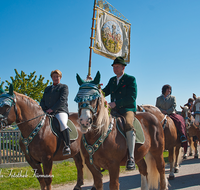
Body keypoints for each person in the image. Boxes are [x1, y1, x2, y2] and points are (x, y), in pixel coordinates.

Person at [102, 56, 137, 170]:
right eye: (114, 67)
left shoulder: (130, 79)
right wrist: (93, 85)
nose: (115, 69)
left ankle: (131, 157)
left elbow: (132, 97)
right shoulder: (112, 80)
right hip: (114, 110)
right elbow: (103, 92)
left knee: (128, 125)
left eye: (117, 67)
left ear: (123, 67)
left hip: (127, 109)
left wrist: (116, 104)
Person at [40, 70, 71, 156]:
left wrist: (52, 109)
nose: (55, 78)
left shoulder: (64, 87)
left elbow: (62, 100)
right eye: (54, 76)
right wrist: (43, 109)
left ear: (60, 77)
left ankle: (67, 146)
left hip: (60, 111)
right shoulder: (47, 89)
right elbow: (42, 100)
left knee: (62, 124)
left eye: (57, 76)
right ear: (51, 78)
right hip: (47, 112)